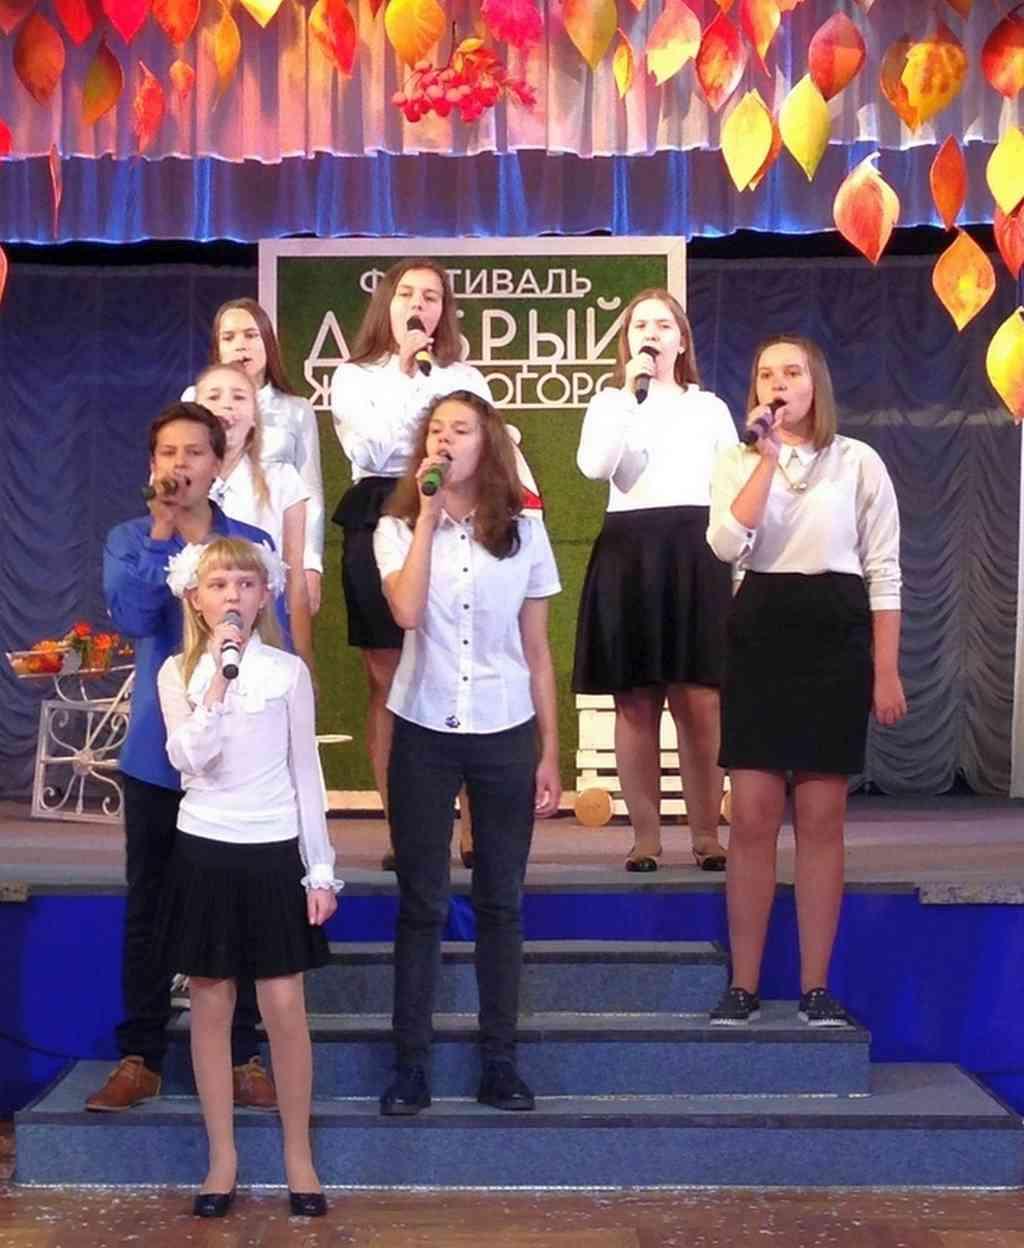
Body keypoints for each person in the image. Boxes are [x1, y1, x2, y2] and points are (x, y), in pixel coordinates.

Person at [706, 335, 906, 1027]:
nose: (779, 383)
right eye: (767, 373)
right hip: (761, 629)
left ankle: (816, 987)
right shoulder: (736, 460)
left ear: (816, 383)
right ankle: (744, 985)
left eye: (792, 372)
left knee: (822, 819)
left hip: (835, 633)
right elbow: (725, 544)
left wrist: (885, 668)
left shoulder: (858, 462)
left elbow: (884, 570)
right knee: (753, 817)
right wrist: (764, 459)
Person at [372, 391, 561, 1116]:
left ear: (489, 445)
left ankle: (500, 1063)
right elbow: (406, 611)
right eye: (436, 430)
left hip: (505, 726)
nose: (446, 440)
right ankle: (410, 1066)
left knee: (500, 902)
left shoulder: (525, 530)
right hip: (422, 725)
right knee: (421, 901)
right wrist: (426, 517)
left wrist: (550, 751)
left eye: (462, 430)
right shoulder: (396, 527)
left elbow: (537, 650)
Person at [87, 403, 278, 1113]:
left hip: (239, 761)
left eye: (195, 452)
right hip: (159, 758)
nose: (180, 465)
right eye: (167, 453)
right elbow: (135, 616)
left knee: (242, 906)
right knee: (151, 904)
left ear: (218, 464)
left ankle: (243, 1055)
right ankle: (141, 1054)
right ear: (152, 465)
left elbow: (277, 644)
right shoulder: (131, 538)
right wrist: (163, 533)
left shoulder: (250, 545)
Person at [157, 537, 339, 1217]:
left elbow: (304, 772)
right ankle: (222, 1158)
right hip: (205, 847)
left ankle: (298, 1156)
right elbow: (189, 759)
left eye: (245, 583)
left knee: (284, 1003)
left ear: (264, 596)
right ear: (196, 600)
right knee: (210, 1001)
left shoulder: (288, 672)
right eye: (219, 584)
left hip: (273, 849)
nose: (232, 594)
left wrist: (319, 868)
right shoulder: (177, 673)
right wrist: (217, 684)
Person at [330, 259, 492, 870]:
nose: (418, 305)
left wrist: (429, 384)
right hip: (380, 507)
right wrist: (405, 371)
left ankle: (473, 825)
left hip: (454, 511)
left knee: (459, 666)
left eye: (431, 296)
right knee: (389, 679)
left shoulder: (465, 377)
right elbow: (370, 447)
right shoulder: (353, 376)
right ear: (388, 306)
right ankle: (407, 829)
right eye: (407, 295)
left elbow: (478, 452)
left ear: (444, 310)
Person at [574, 289, 736, 872]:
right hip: (630, 552)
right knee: (636, 701)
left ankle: (706, 835)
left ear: (682, 340)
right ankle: (645, 837)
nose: (651, 334)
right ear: (626, 342)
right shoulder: (611, 402)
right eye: (640, 325)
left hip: (695, 551)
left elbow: (731, 485)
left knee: (699, 702)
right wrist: (626, 397)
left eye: (663, 325)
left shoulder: (709, 407)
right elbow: (596, 467)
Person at [183, 298, 325, 614]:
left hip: (272, 545)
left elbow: (310, 493)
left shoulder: (296, 409)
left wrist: (310, 564)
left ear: (268, 343)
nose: (240, 345)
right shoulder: (194, 398)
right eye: (229, 337)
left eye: (251, 335)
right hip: (206, 544)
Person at [192, 362, 315, 676]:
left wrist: (304, 659)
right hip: (195, 638)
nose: (227, 405)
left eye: (239, 397)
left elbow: (296, 581)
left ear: (254, 416)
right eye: (214, 397)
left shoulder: (283, 480)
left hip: (266, 636)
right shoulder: (181, 484)